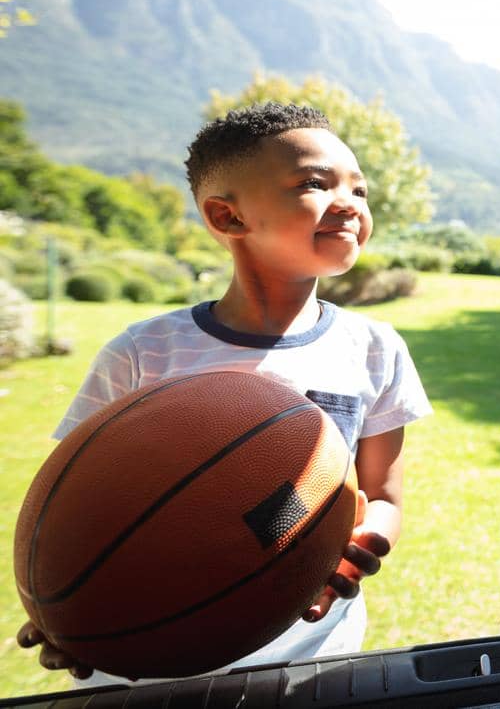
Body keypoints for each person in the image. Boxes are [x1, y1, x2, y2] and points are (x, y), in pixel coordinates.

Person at [16, 102, 432, 684]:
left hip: (310, 657)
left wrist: (358, 544)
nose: (348, 203)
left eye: (359, 190)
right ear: (228, 217)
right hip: (153, 656)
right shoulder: (144, 353)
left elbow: (383, 495)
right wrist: (71, 610)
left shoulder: (374, 349)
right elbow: (80, 509)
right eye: (314, 183)